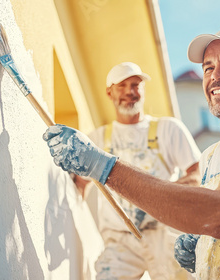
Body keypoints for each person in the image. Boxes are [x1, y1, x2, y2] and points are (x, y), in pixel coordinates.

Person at [43, 24, 220, 280]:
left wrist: (105, 168)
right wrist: (202, 246)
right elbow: (215, 221)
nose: (216, 76)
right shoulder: (211, 156)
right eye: (208, 67)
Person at [73, 62, 202, 280]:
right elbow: (80, 185)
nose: (130, 92)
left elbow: (197, 173)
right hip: (119, 240)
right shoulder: (96, 141)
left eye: (136, 84)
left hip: (165, 232)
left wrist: (158, 198)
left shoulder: (167, 129)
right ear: (109, 92)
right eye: (122, 86)